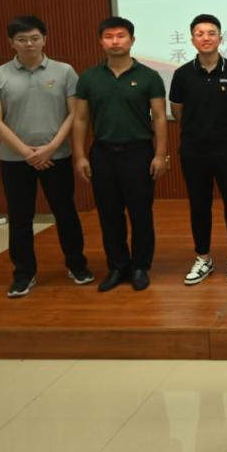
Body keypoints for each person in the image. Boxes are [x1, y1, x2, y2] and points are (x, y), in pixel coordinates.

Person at [0, 15, 92, 297]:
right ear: (11, 42)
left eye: (34, 38)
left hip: (57, 156)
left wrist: (51, 147)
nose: (29, 44)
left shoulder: (64, 71)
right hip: (14, 160)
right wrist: (26, 152)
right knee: (20, 217)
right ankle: (23, 273)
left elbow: (75, 114)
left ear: (45, 39)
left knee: (65, 213)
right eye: (22, 39)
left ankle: (77, 265)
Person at [72, 16, 168, 292]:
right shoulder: (89, 78)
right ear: (101, 42)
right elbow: (80, 118)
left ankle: (140, 267)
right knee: (109, 214)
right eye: (109, 36)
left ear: (132, 40)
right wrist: (80, 155)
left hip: (138, 153)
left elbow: (159, 117)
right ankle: (117, 267)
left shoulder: (149, 76)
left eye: (121, 36)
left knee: (141, 214)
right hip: (103, 154)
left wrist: (160, 154)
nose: (115, 41)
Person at [169, 14, 227, 286]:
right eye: (200, 33)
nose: (206, 38)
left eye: (211, 33)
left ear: (220, 37)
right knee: (198, 204)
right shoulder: (182, 74)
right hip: (194, 150)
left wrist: (224, 126)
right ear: (192, 39)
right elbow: (177, 111)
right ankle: (203, 257)